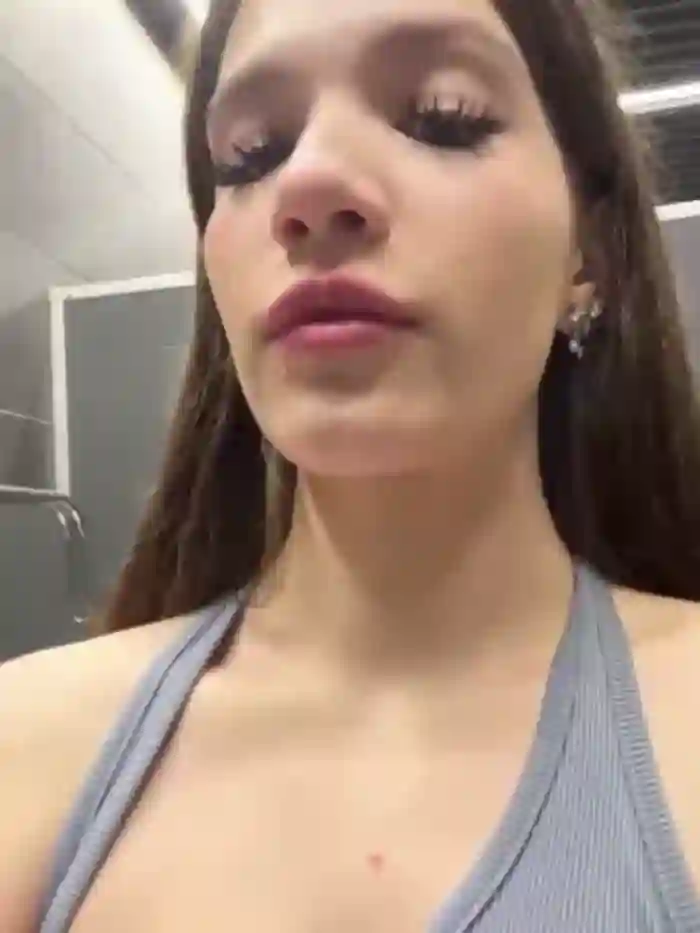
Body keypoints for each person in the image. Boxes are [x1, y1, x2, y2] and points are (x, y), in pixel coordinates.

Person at [3, 0, 700, 929]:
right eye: (250, 155)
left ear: (590, 249)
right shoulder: (26, 750)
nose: (309, 182)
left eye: (444, 118)